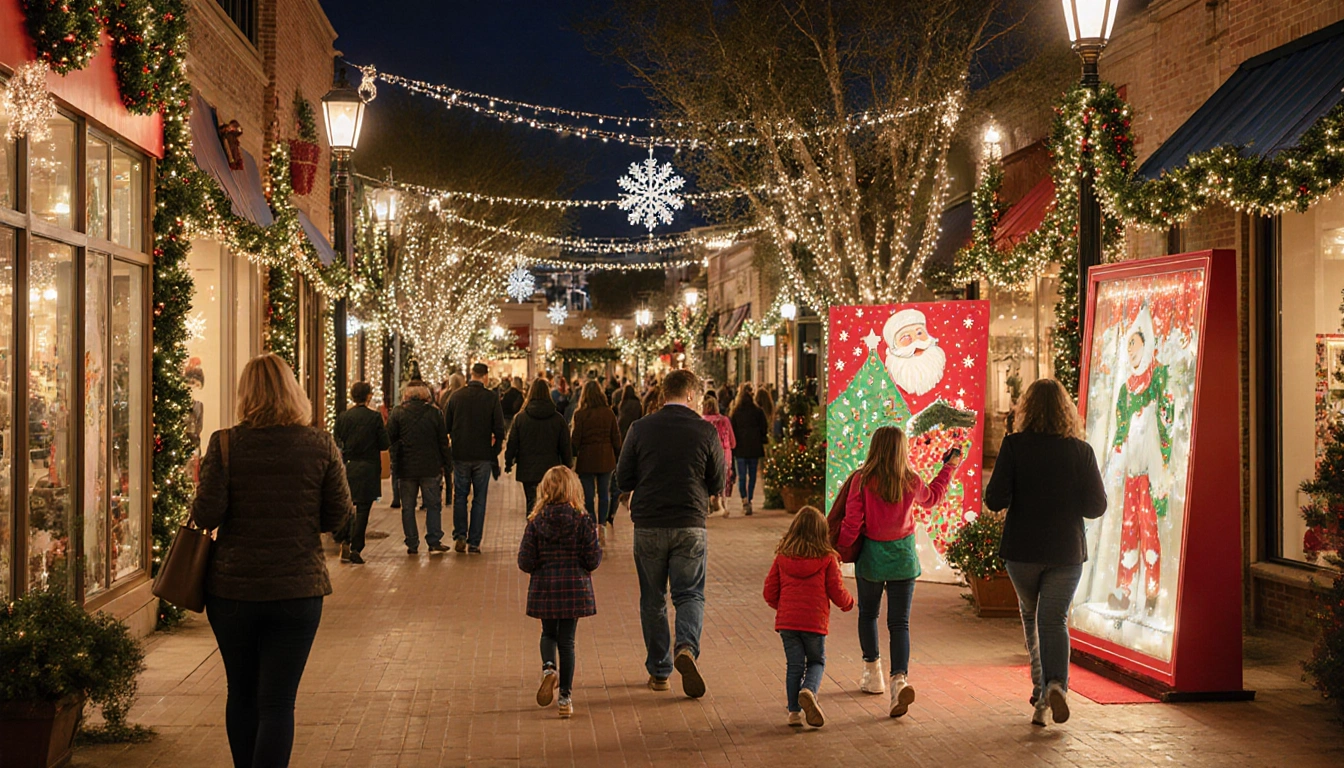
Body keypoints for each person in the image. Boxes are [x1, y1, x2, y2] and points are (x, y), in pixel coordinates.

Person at [191, 354, 352, 768]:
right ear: (292, 391)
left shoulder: (224, 443)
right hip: (297, 589)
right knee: (278, 702)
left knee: (240, 693)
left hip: (232, 590)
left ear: (245, 395)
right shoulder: (319, 444)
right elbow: (338, 518)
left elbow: (206, 515)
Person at [985, 378, 1107, 727]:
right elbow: (1097, 506)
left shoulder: (1014, 446)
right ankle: (1057, 686)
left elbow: (995, 499)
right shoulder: (1080, 451)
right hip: (1066, 551)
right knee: (1053, 620)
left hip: (1022, 551)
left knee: (1031, 616)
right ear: (1066, 410)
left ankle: (1041, 696)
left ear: (1027, 409)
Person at [617, 369, 726, 698]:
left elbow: (623, 478)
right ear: (692, 396)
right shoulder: (705, 431)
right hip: (690, 522)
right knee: (690, 593)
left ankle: (660, 671)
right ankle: (687, 649)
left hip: (649, 523)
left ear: (664, 394)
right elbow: (718, 482)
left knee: (652, 599)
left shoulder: (639, 429)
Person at [837, 425, 960, 718]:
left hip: (871, 560)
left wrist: (840, 550)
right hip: (903, 559)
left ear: (874, 448)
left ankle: (872, 674)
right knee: (899, 623)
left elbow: (853, 523)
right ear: (901, 449)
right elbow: (932, 498)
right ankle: (899, 681)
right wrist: (949, 467)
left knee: (868, 614)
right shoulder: (910, 480)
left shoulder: (861, 480)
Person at [517, 466, 603, 719]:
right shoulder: (583, 521)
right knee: (567, 641)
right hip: (573, 589)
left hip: (545, 588)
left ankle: (547, 669)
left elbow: (525, 561)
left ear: (544, 490)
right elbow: (593, 559)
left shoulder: (536, 522)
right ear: (574, 489)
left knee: (548, 633)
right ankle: (565, 697)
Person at [763, 506, 855, 728]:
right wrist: (848, 603)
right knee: (816, 661)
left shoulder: (782, 557)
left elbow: (769, 592)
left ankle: (794, 712)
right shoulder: (827, 559)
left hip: (787, 623)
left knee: (794, 665)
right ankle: (809, 690)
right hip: (814, 621)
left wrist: (784, 608)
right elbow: (836, 590)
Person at [387, 380, 453, 555]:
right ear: (426, 395)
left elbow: (390, 439)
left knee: (408, 507)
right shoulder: (435, 413)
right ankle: (434, 540)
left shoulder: (397, 413)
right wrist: (447, 464)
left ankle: (412, 542)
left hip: (405, 467)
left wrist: (395, 460)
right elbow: (443, 442)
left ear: (406, 395)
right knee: (433, 505)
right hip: (430, 466)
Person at [446, 363, 506, 554]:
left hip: (461, 454)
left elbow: (445, 426)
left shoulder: (456, 397)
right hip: (482, 455)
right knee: (479, 499)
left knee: (460, 496)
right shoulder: (491, 398)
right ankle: (474, 542)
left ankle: (460, 535)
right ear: (485, 377)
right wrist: (494, 451)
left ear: (471, 375)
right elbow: (499, 428)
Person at [333, 381, 390, 564]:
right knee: (364, 508)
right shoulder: (374, 418)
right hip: (369, 467)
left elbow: (337, 440)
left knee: (348, 505)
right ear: (368, 396)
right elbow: (384, 443)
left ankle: (344, 538)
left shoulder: (343, 417)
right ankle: (356, 547)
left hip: (349, 465)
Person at [506, 379, 573, 514]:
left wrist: (509, 462)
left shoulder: (521, 418)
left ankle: (533, 530)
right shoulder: (558, 419)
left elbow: (512, 442)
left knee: (531, 502)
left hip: (528, 468)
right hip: (551, 468)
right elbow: (565, 444)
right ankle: (548, 530)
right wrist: (567, 465)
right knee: (550, 502)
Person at [571, 380, 622, 543]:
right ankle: (602, 525)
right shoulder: (608, 413)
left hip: (586, 459)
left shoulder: (580, 414)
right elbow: (616, 437)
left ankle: (591, 524)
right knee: (604, 494)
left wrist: (571, 455)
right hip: (606, 458)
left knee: (588, 495)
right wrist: (618, 455)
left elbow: (575, 440)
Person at [729, 383, 769, 516]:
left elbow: (732, 430)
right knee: (752, 476)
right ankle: (750, 498)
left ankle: (744, 499)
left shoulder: (735, 412)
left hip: (740, 448)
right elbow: (764, 427)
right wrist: (761, 438)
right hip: (754, 447)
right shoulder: (758, 411)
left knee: (742, 476)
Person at [700, 395, 736, 517]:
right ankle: (724, 504)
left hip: (706, 453)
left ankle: (709, 502)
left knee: (706, 477)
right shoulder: (724, 420)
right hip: (724, 452)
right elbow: (732, 440)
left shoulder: (702, 421)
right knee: (725, 478)